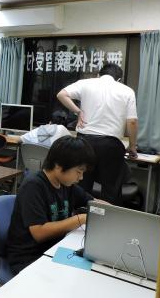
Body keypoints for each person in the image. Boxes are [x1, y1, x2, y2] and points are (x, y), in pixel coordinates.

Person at [6, 136, 96, 276]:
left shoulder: (66, 184)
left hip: (54, 249)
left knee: (92, 268)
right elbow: (39, 233)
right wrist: (80, 219)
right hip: (28, 258)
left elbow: (93, 202)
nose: (81, 177)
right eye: (78, 172)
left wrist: (114, 212)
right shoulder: (33, 186)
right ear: (58, 165)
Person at [56, 63, 138, 204]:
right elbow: (132, 122)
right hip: (111, 145)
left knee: (80, 184)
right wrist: (132, 146)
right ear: (119, 79)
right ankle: (107, 216)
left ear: (99, 75)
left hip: (84, 143)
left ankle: (79, 215)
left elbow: (61, 94)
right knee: (111, 189)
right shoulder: (127, 91)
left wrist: (78, 111)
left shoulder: (85, 83)